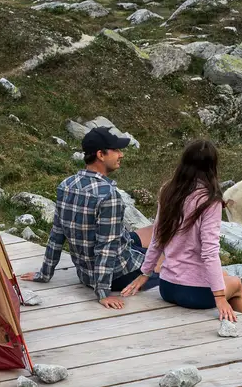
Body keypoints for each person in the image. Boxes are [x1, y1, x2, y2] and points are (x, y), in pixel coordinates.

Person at [19, 128, 158, 309]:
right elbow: (106, 247)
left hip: (86, 274)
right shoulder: (109, 195)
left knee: (147, 236)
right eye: (116, 150)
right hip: (119, 275)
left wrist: (44, 274)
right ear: (101, 154)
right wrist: (103, 293)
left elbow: (57, 234)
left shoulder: (66, 185)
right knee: (167, 259)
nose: (121, 154)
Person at [121, 139, 242, 321]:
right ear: (212, 167)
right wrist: (219, 298)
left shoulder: (168, 191)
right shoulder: (209, 201)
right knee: (237, 284)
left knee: (224, 274)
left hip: (167, 287)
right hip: (195, 294)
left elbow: (157, 238)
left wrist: (145, 273)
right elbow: (209, 253)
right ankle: (237, 331)